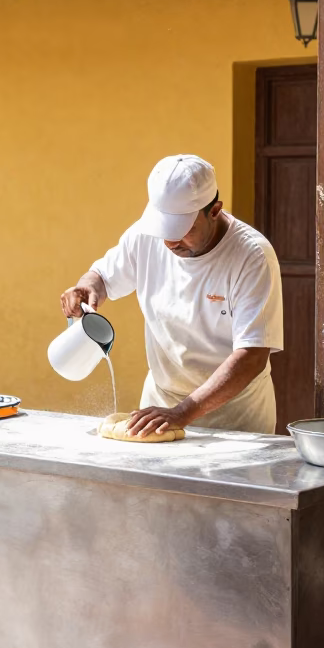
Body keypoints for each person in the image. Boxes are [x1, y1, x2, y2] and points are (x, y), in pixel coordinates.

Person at [60, 154, 283, 437]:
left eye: (183, 230)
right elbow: (102, 276)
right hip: (159, 408)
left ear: (214, 210)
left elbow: (252, 356)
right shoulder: (145, 236)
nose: (170, 242)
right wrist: (87, 285)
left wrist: (183, 412)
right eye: (163, 230)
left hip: (234, 418)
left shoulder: (252, 256)